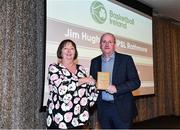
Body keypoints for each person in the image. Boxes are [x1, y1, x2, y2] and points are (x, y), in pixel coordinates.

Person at [90, 33, 141, 129]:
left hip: (122, 109)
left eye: (110, 42)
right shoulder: (94, 61)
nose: (107, 44)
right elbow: (94, 84)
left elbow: (136, 82)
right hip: (103, 109)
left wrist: (117, 88)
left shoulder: (126, 59)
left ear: (114, 45)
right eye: (104, 42)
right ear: (100, 45)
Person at [46, 39, 98, 129]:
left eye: (72, 48)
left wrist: (96, 85)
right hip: (59, 118)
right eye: (66, 48)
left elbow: (87, 93)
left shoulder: (81, 69)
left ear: (75, 52)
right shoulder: (54, 68)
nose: (69, 51)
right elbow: (62, 89)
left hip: (77, 119)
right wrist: (83, 80)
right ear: (60, 52)